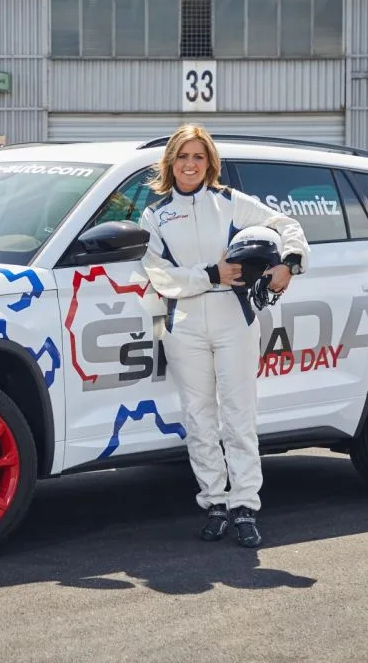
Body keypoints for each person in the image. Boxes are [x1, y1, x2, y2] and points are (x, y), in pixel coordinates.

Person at [139, 124, 309, 547]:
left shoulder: (229, 203)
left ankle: (245, 506)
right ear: (171, 162)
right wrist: (210, 274)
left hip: (235, 317)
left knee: (238, 416)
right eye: (183, 156)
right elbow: (158, 273)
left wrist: (289, 263)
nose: (190, 165)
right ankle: (214, 502)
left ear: (209, 162)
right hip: (183, 323)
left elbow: (286, 225)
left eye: (198, 157)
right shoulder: (154, 215)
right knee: (198, 419)